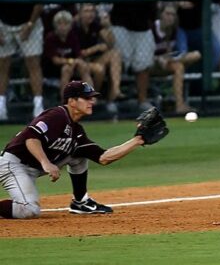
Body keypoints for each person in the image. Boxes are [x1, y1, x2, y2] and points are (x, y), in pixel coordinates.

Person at [0, 80, 165, 219]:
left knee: (78, 155)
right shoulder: (57, 116)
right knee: (30, 210)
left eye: (92, 98)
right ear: (72, 101)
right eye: (86, 98)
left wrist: (137, 140)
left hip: (33, 166)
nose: (91, 101)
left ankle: (80, 202)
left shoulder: (77, 131)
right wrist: (46, 162)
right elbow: (31, 138)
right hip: (13, 165)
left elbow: (104, 157)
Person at [106, 0, 164, 110]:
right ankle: (112, 100)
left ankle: (142, 100)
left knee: (143, 65)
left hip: (144, 25)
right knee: (119, 63)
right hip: (121, 24)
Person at [0, 0, 44, 121]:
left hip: (28, 22)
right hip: (3, 23)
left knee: (33, 63)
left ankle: (38, 106)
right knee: (2, 64)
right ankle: (1, 106)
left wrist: (30, 24)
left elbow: (39, 0)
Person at [151, 3, 201, 113]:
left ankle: (179, 105)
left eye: (173, 15)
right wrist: (159, 59)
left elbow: (171, 52)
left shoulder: (174, 30)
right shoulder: (152, 28)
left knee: (191, 58)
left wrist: (167, 58)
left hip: (166, 63)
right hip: (150, 65)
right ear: (161, 15)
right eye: (167, 14)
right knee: (177, 63)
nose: (170, 17)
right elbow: (144, 55)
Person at [43, 10, 94, 99]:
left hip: (72, 66)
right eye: (60, 24)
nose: (63, 27)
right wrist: (71, 61)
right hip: (53, 69)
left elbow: (78, 55)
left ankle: (90, 96)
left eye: (66, 24)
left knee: (83, 66)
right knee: (66, 69)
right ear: (55, 25)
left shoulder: (73, 36)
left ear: (70, 26)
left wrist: (76, 62)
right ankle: (65, 101)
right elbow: (55, 60)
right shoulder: (50, 37)